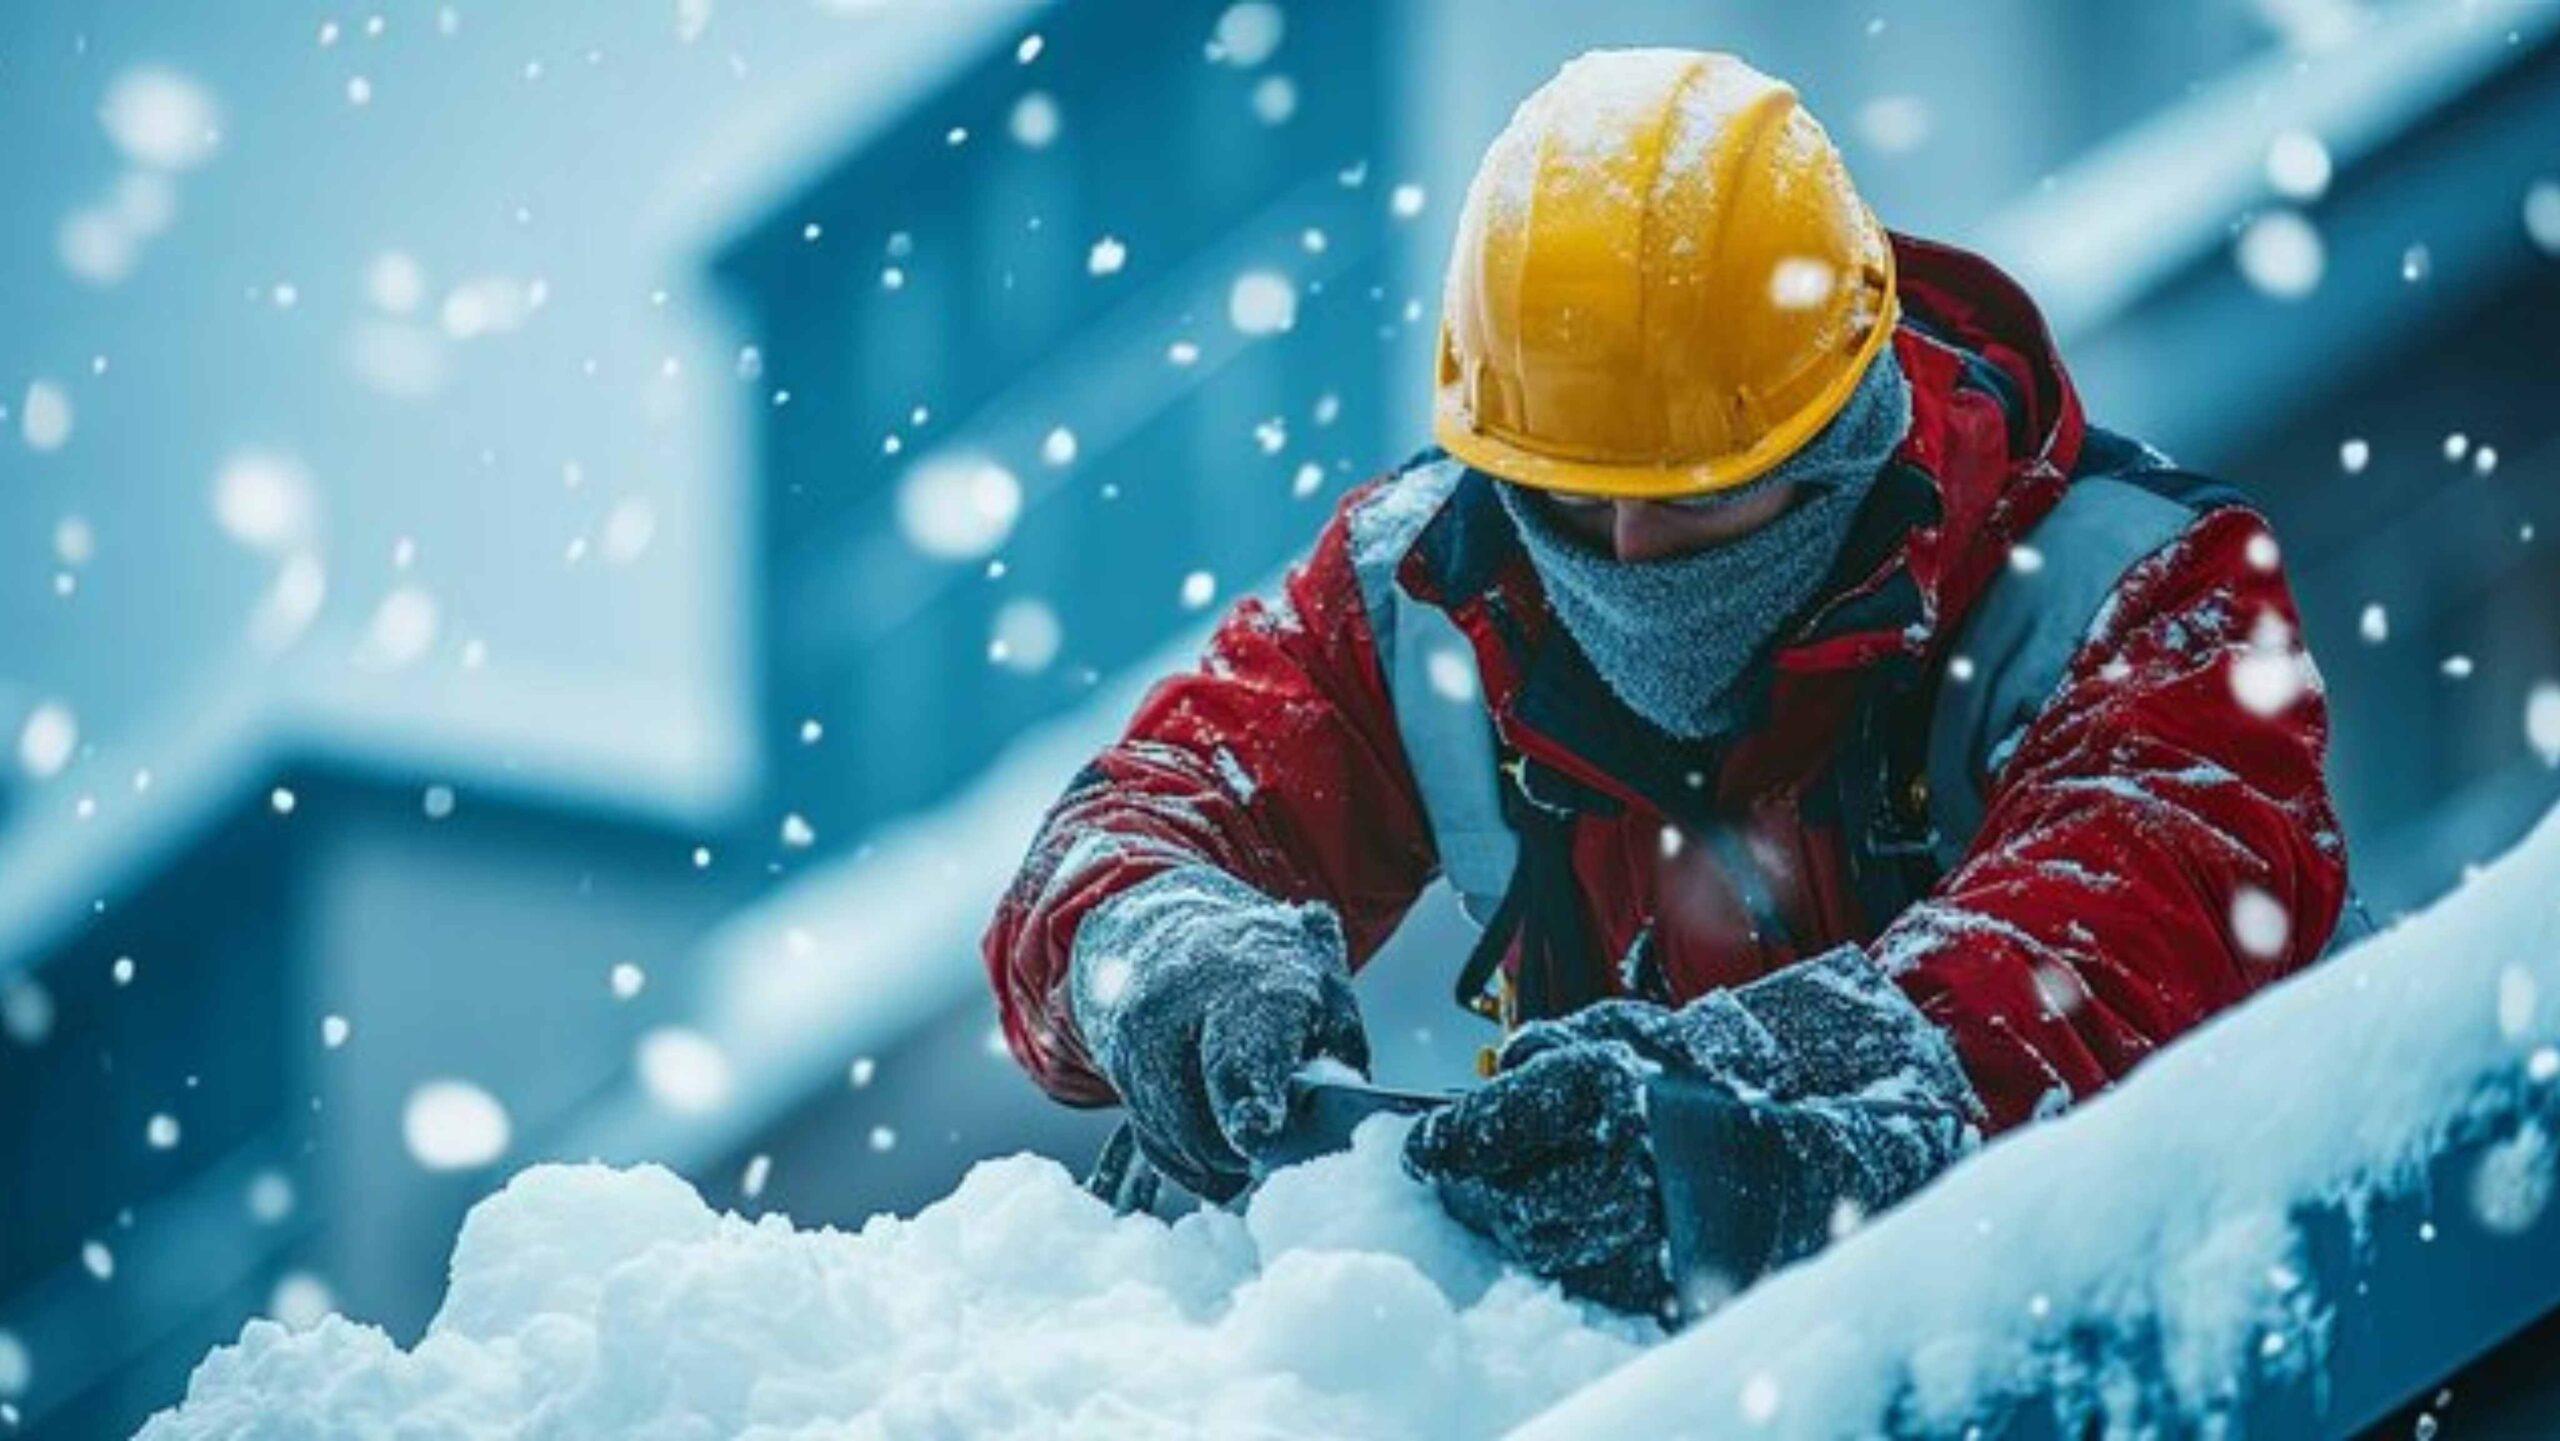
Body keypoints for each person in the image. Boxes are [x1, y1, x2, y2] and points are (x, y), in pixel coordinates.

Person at [982, 49, 2350, 1314]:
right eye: (1574, 501)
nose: (1628, 560)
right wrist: (1155, 950)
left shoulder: (2143, 594)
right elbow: (1132, 825)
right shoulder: (1427, 587)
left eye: (1693, 503)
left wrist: (1756, 1102)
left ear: (1842, 438)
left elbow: (2130, 937)